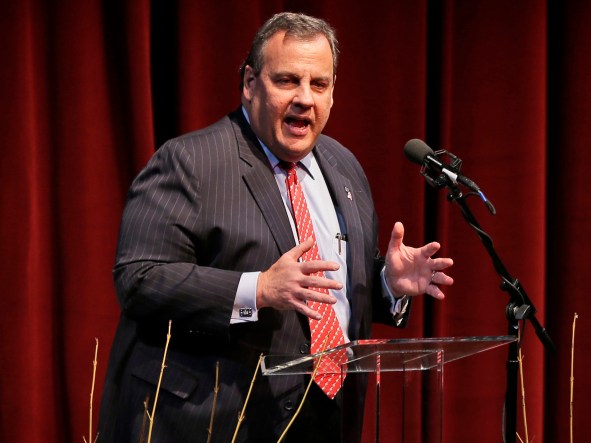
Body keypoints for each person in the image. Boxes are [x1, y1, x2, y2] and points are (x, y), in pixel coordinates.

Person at [97, 11, 454, 443]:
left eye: (319, 84)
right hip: (215, 421)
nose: (305, 98)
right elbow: (139, 279)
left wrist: (385, 284)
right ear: (250, 83)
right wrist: (258, 289)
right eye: (287, 80)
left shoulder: (343, 167)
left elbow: (322, 295)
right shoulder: (191, 162)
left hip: (327, 421)